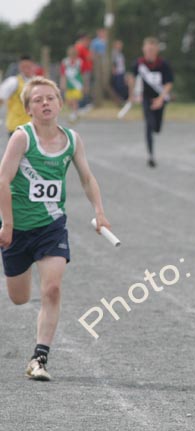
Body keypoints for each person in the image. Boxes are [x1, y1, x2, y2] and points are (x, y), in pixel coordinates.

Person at [0, 76, 111, 381]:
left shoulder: (72, 140)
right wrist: (7, 224)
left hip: (51, 226)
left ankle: (39, 358)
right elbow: (3, 181)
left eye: (50, 98)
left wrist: (99, 212)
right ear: (28, 109)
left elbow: (87, 178)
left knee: (52, 288)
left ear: (60, 104)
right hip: (18, 230)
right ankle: (23, 269)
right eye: (38, 100)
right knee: (20, 298)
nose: (45, 103)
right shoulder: (22, 138)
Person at [127, 37, 174, 168]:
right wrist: (132, 94)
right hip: (146, 98)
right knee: (148, 124)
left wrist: (160, 99)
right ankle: (150, 155)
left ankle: (155, 130)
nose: (149, 52)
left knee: (157, 128)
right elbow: (131, 77)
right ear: (143, 49)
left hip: (160, 97)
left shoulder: (163, 64)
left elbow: (169, 83)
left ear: (157, 50)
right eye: (147, 49)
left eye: (152, 50)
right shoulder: (139, 63)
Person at [0, 55, 36, 136]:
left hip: (34, 127)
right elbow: (1, 98)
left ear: (33, 67)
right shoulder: (13, 82)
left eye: (29, 66)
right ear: (20, 67)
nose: (26, 69)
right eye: (24, 67)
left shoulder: (38, 82)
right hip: (16, 127)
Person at [60, 46, 84, 122]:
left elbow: (82, 73)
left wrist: (83, 84)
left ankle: (74, 114)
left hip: (77, 84)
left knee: (74, 100)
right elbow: (63, 73)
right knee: (68, 100)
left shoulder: (79, 62)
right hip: (69, 83)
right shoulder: (65, 62)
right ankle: (75, 111)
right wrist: (63, 83)